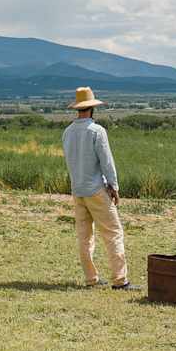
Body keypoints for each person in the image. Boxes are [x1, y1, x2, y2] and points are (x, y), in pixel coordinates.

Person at [61, 86, 133, 290]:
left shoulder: (67, 132)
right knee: (113, 232)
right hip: (95, 190)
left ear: (78, 108)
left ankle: (91, 278)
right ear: (92, 108)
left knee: (84, 236)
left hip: (78, 190)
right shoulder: (97, 131)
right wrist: (114, 187)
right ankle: (120, 280)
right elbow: (106, 162)